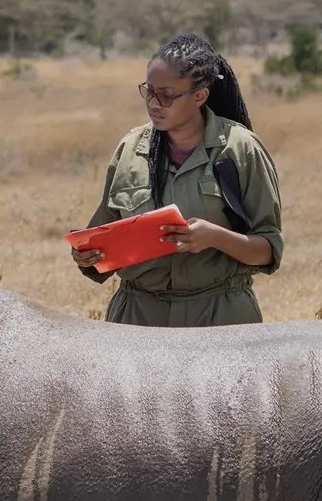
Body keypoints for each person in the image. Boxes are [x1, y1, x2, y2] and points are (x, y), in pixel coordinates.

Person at [72, 33, 283, 327]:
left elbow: (268, 250)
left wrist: (215, 237)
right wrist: (87, 253)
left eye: (167, 95)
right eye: (149, 91)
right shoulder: (131, 148)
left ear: (200, 96)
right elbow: (104, 237)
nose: (154, 103)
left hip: (220, 319)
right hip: (138, 319)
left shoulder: (240, 149)